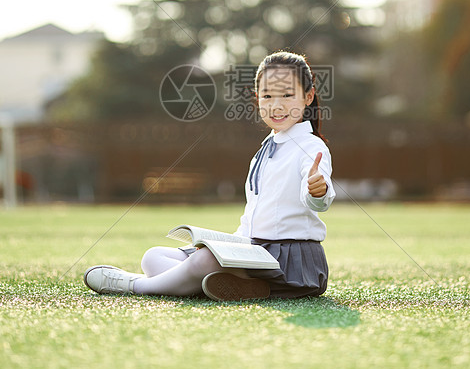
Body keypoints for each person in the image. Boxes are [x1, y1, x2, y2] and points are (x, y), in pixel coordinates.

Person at [83, 51, 335, 301]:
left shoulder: (311, 147)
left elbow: (318, 197)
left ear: (308, 96)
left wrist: (317, 189)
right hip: (254, 248)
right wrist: (231, 244)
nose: (276, 105)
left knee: (205, 259)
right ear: (257, 98)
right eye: (267, 96)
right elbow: (255, 216)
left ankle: (137, 285)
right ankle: (236, 285)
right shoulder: (267, 147)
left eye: (287, 95)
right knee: (153, 256)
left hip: (289, 259)